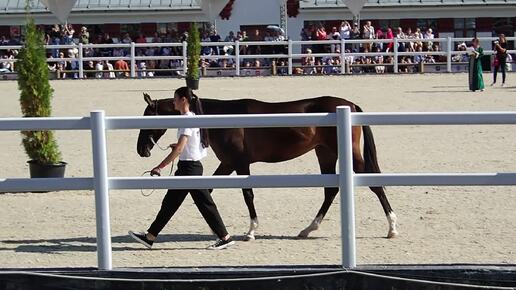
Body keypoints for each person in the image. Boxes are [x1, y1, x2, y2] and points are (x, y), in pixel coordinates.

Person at [129, 87, 235, 250]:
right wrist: (178, 147)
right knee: (171, 203)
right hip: (189, 166)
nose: (173, 102)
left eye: (175, 98)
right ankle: (150, 237)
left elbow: (180, 149)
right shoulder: (192, 117)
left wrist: (160, 166)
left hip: (189, 168)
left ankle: (225, 237)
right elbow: (187, 145)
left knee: (204, 204)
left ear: (183, 100)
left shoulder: (187, 119)